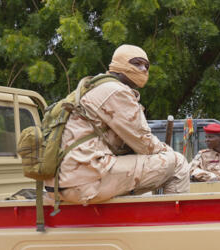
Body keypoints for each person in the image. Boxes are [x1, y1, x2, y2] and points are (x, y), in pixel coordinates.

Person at [50, 44, 189, 204]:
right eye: (137, 63)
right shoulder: (116, 91)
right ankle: (170, 225)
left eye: (146, 66)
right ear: (120, 64)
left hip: (65, 181)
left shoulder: (96, 87)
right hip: (85, 179)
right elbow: (145, 144)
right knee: (178, 163)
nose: (143, 69)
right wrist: (167, 152)